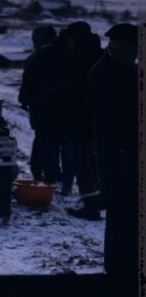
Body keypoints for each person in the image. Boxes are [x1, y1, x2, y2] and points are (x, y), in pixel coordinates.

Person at [87, 23, 138, 275]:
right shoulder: (103, 73)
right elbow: (110, 122)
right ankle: (117, 271)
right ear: (118, 46)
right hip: (116, 157)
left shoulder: (126, 69)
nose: (136, 53)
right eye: (132, 48)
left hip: (126, 155)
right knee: (120, 215)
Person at [64, 21, 104, 220]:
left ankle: (91, 206)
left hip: (82, 119)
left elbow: (75, 91)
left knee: (82, 163)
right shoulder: (101, 54)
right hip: (101, 119)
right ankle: (101, 200)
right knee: (98, 161)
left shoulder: (78, 58)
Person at [18, 26, 57, 181]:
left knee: (43, 137)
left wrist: (24, 99)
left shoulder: (35, 57)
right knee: (47, 138)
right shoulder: (61, 55)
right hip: (54, 104)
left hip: (40, 104)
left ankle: (44, 172)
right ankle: (46, 172)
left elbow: (27, 82)